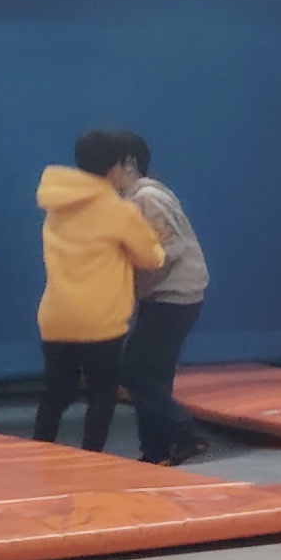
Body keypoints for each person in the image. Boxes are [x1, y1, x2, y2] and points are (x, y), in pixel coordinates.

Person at [35, 129, 163, 452]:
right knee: (102, 396)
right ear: (116, 166)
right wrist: (158, 246)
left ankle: (39, 450)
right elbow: (150, 258)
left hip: (56, 316)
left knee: (56, 394)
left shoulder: (56, 204)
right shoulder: (118, 211)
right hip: (100, 321)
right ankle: (92, 460)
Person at [106, 132, 213, 464]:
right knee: (155, 375)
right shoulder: (136, 197)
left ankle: (187, 434)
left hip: (175, 296)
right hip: (165, 295)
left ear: (128, 163)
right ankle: (156, 450)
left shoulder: (147, 197)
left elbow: (170, 249)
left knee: (133, 371)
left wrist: (135, 284)